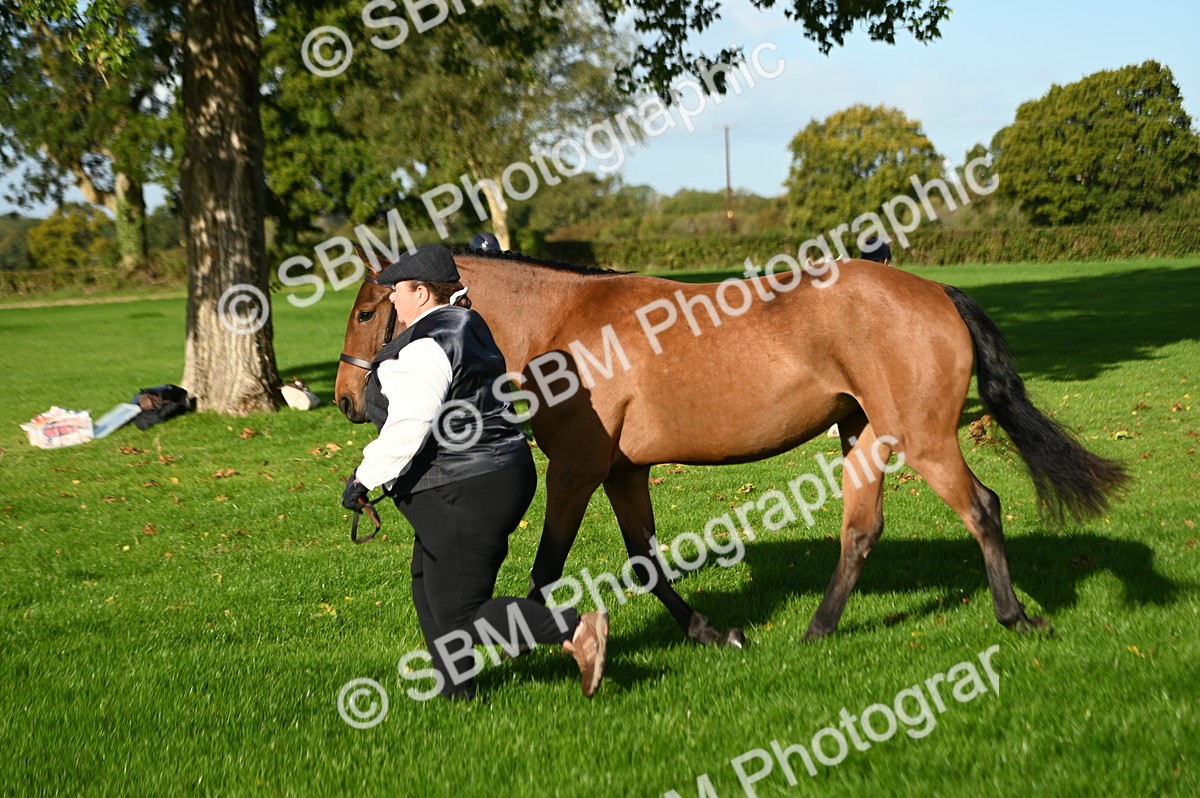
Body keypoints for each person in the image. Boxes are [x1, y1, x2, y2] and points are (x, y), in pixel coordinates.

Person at [341, 244, 608, 699]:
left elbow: (413, 421)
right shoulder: (469, 324)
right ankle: (456, 691)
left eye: (399, 293)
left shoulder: (426, 344)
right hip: (494, 473)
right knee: (428, 584)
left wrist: (364, 477)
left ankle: (576, 629)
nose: (394, 303)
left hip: (466, 484)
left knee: (463, 613)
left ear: (422, 293)